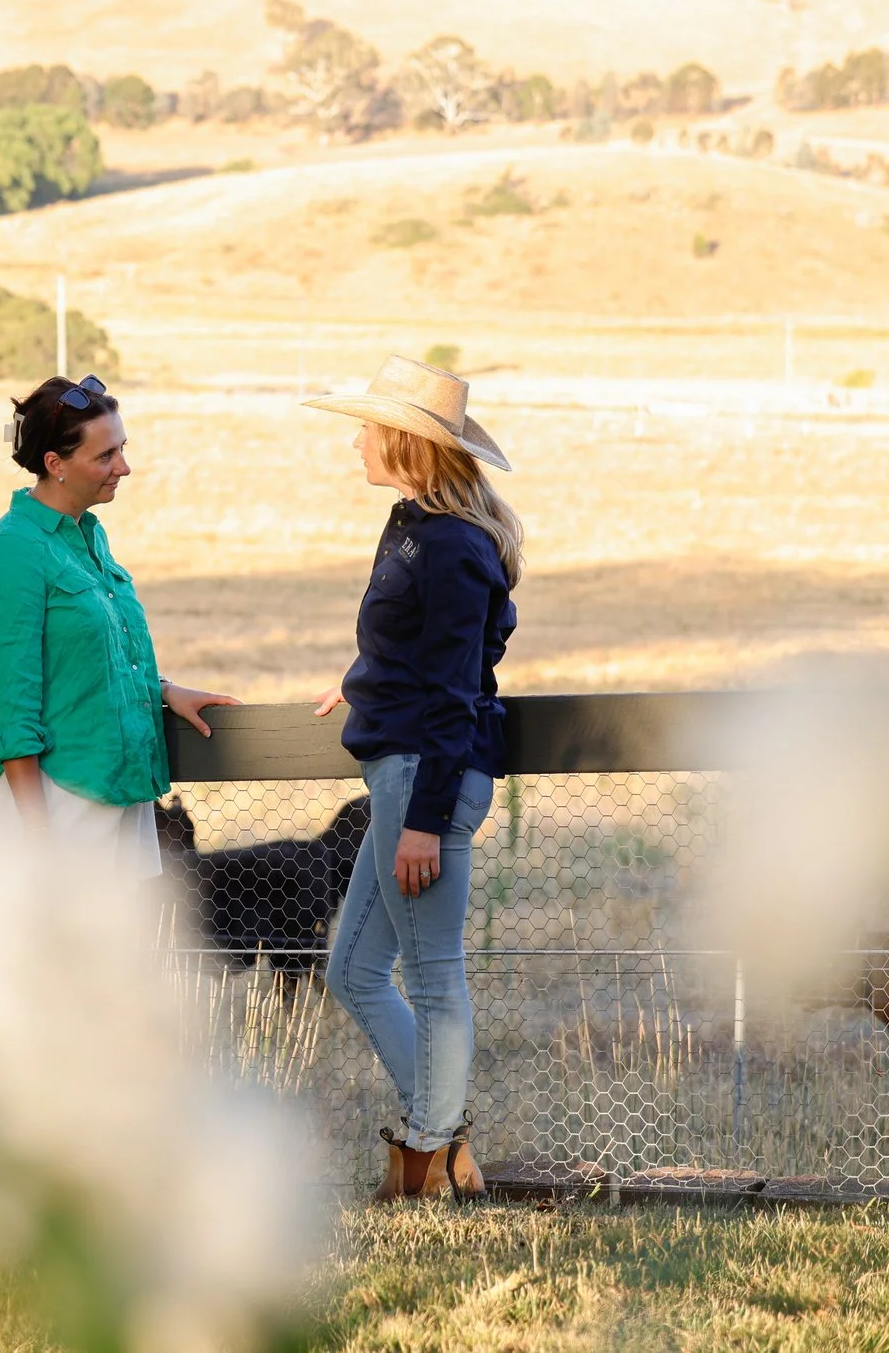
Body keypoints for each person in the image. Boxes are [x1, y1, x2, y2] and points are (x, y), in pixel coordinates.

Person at [308, 355, 523, 1202]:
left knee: (433, 977)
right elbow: (414, 654)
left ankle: (427, 1162)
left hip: (425, 781)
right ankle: (441, 1136)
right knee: (354, 969)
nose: (356, 439)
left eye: (366, 426)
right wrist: (363, 682)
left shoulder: (453, 547)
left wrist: (425, 820)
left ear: (404, 440)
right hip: (401, 774)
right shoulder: (413, 524)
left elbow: (453, 689)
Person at [0, 374, 238, 875]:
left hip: (117, 791)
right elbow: (9, 709)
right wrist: (40, 837)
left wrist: (161, 690)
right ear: (55, 464)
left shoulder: (88, 535)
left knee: (125, 955)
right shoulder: (13, 552)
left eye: (122, 448)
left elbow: (85, 657)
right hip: (55, 805)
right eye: (105, 456)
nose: (124, 467)